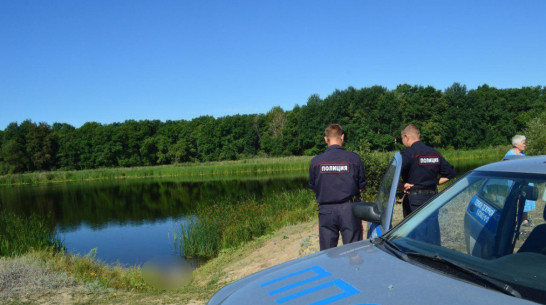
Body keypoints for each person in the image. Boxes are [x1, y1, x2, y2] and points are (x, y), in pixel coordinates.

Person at [309, 124, 367, 251]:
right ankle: (354, 270)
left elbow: (314, 187)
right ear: (342, 137)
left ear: (326, 139)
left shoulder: (316, 162)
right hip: (349, 210)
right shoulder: (354, 159)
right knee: (354, 252)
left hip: (326, 211)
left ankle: (332, 271)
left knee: (328, 252)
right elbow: (361, 186)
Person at [400, 125, 456, 245]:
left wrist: (402, 185)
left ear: (406, 137)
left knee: (415, 236)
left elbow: (394, 174)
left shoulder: (408, 154)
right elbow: (451, 173)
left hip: (414, 200)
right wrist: (434, 182)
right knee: (432, 233)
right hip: (432, 199)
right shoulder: (434, 153)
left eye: (402, 139)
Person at [504, 135, 535, 226]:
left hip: (525, 181)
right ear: (516, 144)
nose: (525, 145)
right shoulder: (509, 155)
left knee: (526, 199)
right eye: (523, 143)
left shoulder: (522, 154)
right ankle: (515, 219)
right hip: (515, 182)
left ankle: (524, 220)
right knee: (516, 200)